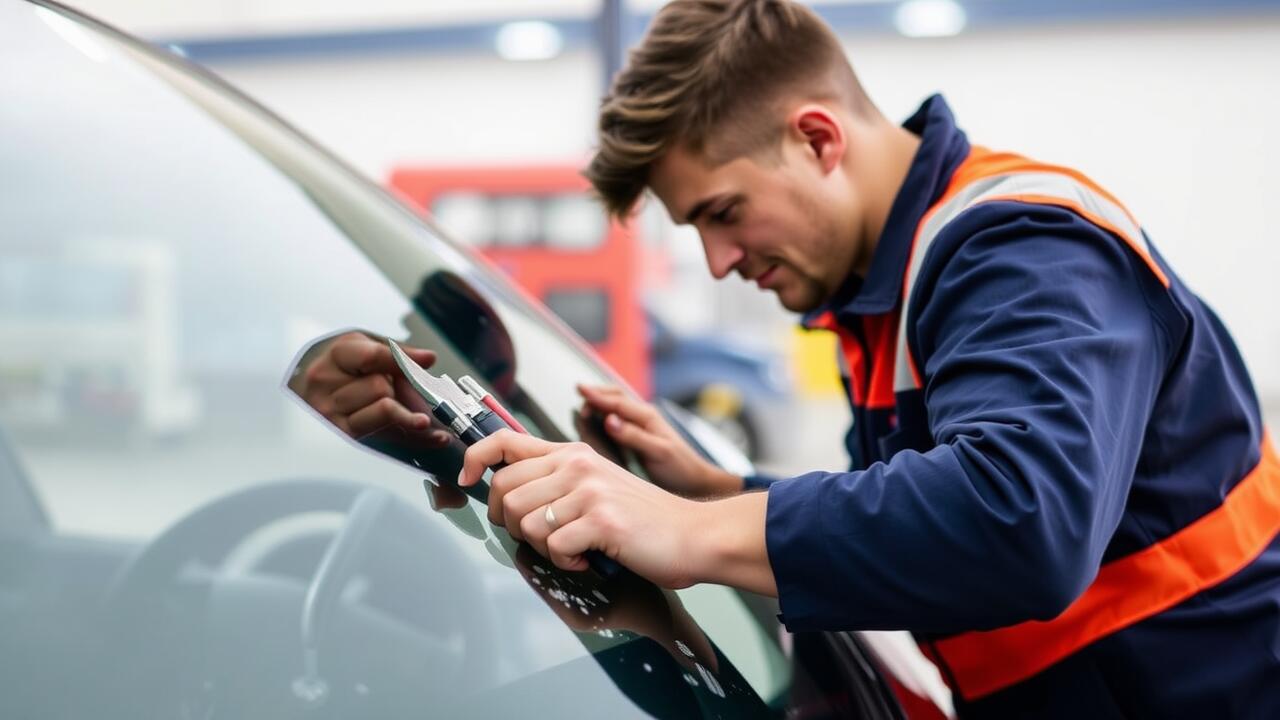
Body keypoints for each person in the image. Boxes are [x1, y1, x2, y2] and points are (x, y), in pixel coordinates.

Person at [299, 1, 1280, 716]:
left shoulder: (1019, 251)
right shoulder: (887, 291)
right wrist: (722, 486)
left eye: (721, 213)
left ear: (815, 137)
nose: (719, 262)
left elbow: (1018, 518)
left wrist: (686, 532)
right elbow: (915, 512)